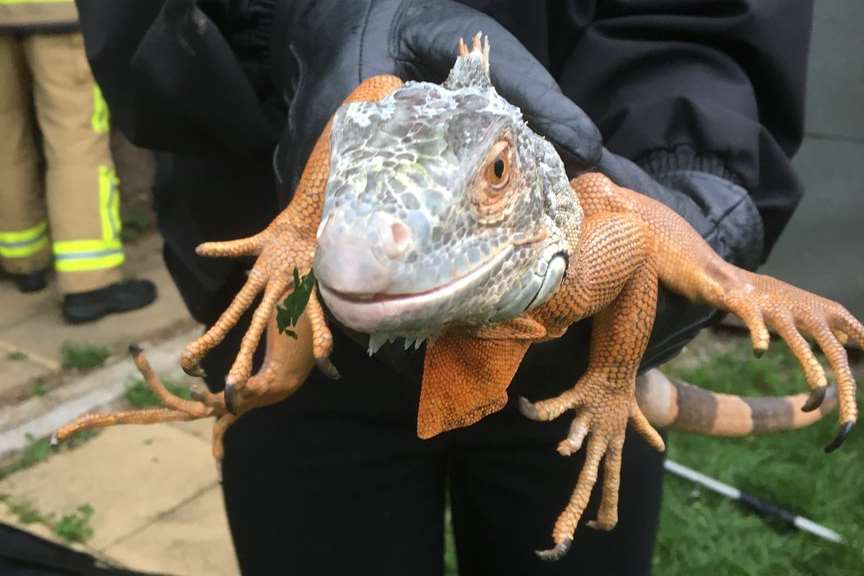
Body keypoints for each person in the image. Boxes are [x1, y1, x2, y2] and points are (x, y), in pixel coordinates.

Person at [74, 1, 812, 574]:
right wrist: (305, 23)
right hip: (322, 347)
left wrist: (617, 375)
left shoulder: (571, 261)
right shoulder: (337, 246)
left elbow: (635, 234)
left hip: (563, 388)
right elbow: (365, 94)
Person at [0, 0, 156, 323]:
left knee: (5, 137)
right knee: (76, 138)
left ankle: (23, 262)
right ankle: (89, 282)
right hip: (60, 13)